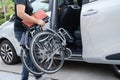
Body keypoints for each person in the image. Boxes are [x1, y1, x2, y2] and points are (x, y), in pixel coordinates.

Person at [14, 0, 45, 80]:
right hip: (21, 31)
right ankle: (38, 77)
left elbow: (28, 14)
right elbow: (20, 14)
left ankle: (25, 78)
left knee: (28, 55)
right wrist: (37, 21)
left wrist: (39, 17)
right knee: (30, 53)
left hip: (27, 30)